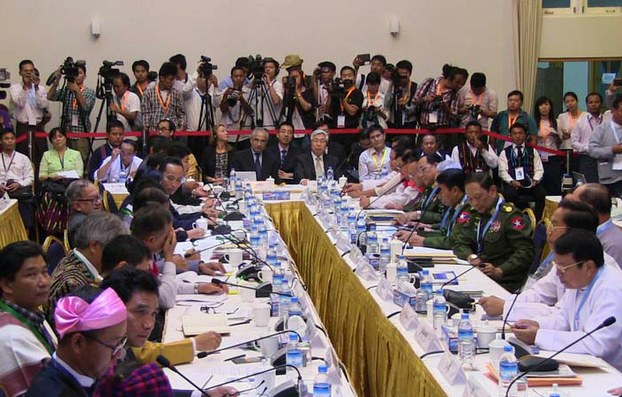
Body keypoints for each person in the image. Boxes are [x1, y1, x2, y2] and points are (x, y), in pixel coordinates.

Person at [478, 199, 620, 320]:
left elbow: (561, 314)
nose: (548, 230)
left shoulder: (590, 268)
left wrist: (506, 307)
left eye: (554, 225)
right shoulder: (565, 260)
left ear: (576, 232)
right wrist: (503, 303)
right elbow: (539, 294)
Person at [511, 230, 622, 372]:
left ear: (588, 267)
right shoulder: (579, 280)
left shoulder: (611, 288)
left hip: (610, 373)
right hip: (581, 364)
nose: (558, 274)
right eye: (556, 266)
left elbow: (596, 343)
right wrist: (537, 324)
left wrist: (538, 336)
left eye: (563, 268)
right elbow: (563, 317)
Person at [100, 268, 222, 365]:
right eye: (140, 312)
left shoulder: (121, 345)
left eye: (153, 314)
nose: (149, 325)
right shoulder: (97, 359)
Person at [26, 287, 128, 397]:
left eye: (122, 342)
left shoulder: (89, 377)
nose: (118, 355)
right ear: (78, 343)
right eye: (114, 346)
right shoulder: (51, 392)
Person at [130, 204, 227, 310]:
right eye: (169, 234)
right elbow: (166, 298)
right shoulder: (136, 261)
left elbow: (163, 285)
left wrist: (198, 288)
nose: (173, 237)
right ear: (151, 240)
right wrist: (169, 257)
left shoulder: (146, 253)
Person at [452, 172, 535, 292]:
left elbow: (526, 252)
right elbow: (460, 241)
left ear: (492, 191)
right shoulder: (475, 213)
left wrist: (500, 270)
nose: (474, 203)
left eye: (478, 197)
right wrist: (472, 257)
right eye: (470, 199)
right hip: (478, 274)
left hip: (503, 281)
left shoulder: (509, 216)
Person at [45, 212, 128, 327]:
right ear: (94, 246)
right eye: (115, 250)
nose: (117, 256)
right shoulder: (73, 284)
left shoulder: (72, 260)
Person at [0, 241, 56, 397]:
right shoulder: (10, 337)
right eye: (31, 275)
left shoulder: (33, 312)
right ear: (7, 285)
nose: (43, 282)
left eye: (45, 272)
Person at [396, 169, 468, 249]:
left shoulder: (467, 209)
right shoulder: (456, 205)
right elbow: (444, 232)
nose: (439, 195)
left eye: (442, 191)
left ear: (455, 191)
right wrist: (416, 234)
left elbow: (454, 242)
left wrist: (423, 241)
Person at [47, 62, 97, 163]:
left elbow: (86, 108)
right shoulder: (67, 90)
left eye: (79, 73)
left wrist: (77, 90)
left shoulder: (89, 92)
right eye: (75, 73)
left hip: (81, 133)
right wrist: (56, 83)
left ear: (85, 76)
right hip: (66, 132)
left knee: (81, 161)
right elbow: (50, 97)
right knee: (66, 161)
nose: (77, 76)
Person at [498, 122, 546, 219]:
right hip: (513, 183)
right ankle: (514, 219)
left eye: (520, 133)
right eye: (514, 133)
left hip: (531, 183)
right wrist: (511, 181)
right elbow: (502, 171)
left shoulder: (532, 151)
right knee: (510, 194)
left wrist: (536, 180)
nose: (517, 136)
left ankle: (537, 220)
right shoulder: (504, 152)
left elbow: (539, 168)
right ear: (510, 135)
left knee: (542, 194)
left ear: (525, 135)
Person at [567, 183, 622, 267]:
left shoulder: (613, 245)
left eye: (574, 206)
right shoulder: (582, 232)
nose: (568, 211)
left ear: (590, 209)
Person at [413, 64, 468, 147]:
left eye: (462, 84)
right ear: (449, 78)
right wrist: (425, 99)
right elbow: (415, 100)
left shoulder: (454, 94)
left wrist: (444, 105)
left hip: (442, 130)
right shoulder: (429, 83)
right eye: (457, 82)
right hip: (425, 127)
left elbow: (454, 115)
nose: (459, 86)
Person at [9, 59, 49, 165]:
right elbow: (20, 102)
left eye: (30, 70)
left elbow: (43, 104)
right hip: (23, 126)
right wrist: (25, 87)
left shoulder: (40, 88)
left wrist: (35, 88)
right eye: (25, 70)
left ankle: (39, 181)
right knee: (23, 156)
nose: (28, 73)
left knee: (41, 155)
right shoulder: (15, 88)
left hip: (38, 126)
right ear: (20, 72)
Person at [0, 128, 35, 234]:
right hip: (1, 192)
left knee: (26, 212)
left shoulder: (23, 158)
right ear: (1, 141)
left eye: (12, 138)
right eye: (6, 139)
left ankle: (24, 239)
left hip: (19, 193)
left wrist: (19, 184)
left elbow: (30, 178)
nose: (10, 141)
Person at [588, 95, 622, 197]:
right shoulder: (602, 129)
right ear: (613, 111)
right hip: (609, 177)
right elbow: (592, 150)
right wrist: (612, 150)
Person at [141, 62, 186, 133]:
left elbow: (181, 113)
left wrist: (181, 128)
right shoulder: (148, 93)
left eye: (174, 79)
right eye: (170, 79)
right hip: (155, 132)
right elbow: (146, 114)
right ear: (162, 78)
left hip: (172, 132)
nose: (172, 82)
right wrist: (146, 131)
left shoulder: (176, 94)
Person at [571, 92, 604, 183]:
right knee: (589, 187)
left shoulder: (606, 120)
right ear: (587, 105)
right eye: (591, 102)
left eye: (596, 102)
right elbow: (574, 142)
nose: (594, 104)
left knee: (604, 187)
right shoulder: (580, 122)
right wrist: (587, 148)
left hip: (604, 158)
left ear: (601, 104)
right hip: (587, 158)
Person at [533, 96, 562, 195]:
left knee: (554, 184)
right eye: (541, 105)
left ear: (550, 107)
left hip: (553, 156)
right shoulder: (534, 122)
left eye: (546, 104)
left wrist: (556, 136)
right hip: (539, 156)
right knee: (541, 184)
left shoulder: (556, 122)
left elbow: (561, 141)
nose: (544, 107)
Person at [216, 66, 253, 139]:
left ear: (244, 77)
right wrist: (225, 96)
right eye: (236, 76)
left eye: (241, 76)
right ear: (231, 78)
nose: (238, 78)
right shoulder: (226, 91)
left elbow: (251, 112)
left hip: (244, 134)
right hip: (228, 133)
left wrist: (242, 99)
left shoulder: (249, 92)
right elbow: (223, 110)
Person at [326, 66, 363, 132]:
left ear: (354, 77)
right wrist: (330, 93)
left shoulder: (357, 93)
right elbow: (327, 110)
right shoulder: (337, 91)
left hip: (351, 129)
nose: (347, 78)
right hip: (335, 128)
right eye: (344, 76)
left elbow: (352, 112)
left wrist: (342, 98)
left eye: (349, 76)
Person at [66, 180, 103, 247]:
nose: (99, 202)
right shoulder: (81, 225)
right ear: (77, 205)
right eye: (93, 200)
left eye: (98, 197)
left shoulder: (90, 217)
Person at [385, 60, 418, 129]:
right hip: (392, 122)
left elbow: (414, 110)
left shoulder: (415, 87)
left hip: (408, 123)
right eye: (400, 75)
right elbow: (386, 104)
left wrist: (404, 106)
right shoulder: (393, 86)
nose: (402, 78)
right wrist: (392, 83)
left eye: (404, 75)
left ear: (410, 73)